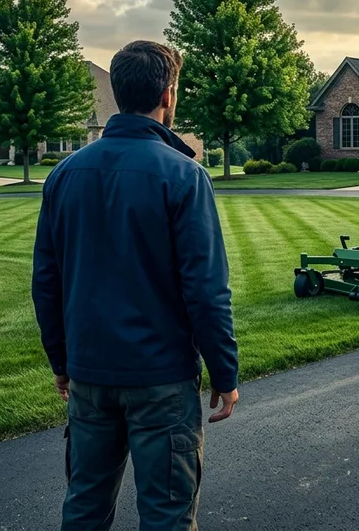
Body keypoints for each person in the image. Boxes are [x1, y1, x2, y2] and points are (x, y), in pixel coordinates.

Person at [31, 40, 239, 531]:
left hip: (90, 375)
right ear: (168, 94)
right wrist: (224, 373)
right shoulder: (184, 175)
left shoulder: (64, 174)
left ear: (118, 91)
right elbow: (206, 290)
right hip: (161, 379)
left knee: (84, 505)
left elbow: (47, 281)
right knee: (166, 513)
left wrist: (61, 362)